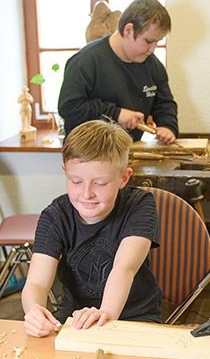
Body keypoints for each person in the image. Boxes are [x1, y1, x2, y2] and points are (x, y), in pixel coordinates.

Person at [22, 120, 162, 337]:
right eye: (75, 181)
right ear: (65, 172)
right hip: (75, 316)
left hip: (136, 315)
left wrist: (105, 313)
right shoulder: (55, 216)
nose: (86, 194)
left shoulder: (139, 204)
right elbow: (37, 283)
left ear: (123, 178)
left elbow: (124, 268)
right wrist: (34, 310)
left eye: (100, 183)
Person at [58, 0, 178, 144]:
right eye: (149, 41)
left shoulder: (152, 64)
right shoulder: (85, 61)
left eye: (157, 42)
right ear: (128, 30)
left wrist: (167, 127)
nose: (152, 49)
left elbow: (164, 104)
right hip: (88, 155)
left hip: (128, 151)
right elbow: (69, 107)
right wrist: (116, 114)